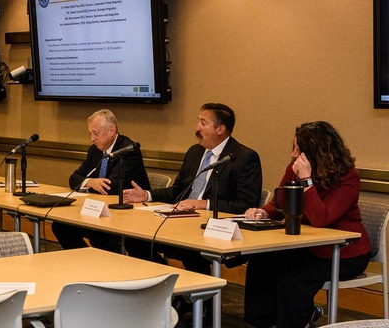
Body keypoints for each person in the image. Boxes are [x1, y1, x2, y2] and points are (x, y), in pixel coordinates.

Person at [242, 121, 370, 328]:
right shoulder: (294, 170)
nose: (293, 155)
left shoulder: (348, 177)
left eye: (298, 150)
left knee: (292, 276)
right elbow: (281, 202)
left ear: (316, 153)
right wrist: (264, 211)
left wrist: (307, 180)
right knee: (262, 261)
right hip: (309, 245)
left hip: (345, 252)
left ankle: (297, 322)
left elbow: (322, 218)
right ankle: (263, 322)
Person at [122, 103, 263, 273]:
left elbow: (246, 205)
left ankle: (201, 298)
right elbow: (176, 192)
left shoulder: (243, 158)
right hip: (181, 223)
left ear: (220, 129)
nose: (197, 128)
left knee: (189, 250)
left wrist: (204, 204)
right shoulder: (194, 152)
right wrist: (146, 195)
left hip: (212, 228)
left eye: (203, 123)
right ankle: (168, 285)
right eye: (198, 122)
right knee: (135, 240)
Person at [53, 109, 150, 252]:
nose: (92, 138)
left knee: (100, 235)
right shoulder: (95, 150)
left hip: (127, 214)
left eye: (96, 133)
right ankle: (86, 261)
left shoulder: (128, 150)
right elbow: (73, 178)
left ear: (112, 130)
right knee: (60, 227)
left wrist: (90, 183)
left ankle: (108, 266)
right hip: (100, 210)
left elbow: (111, 188)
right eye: (90, 134)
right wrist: (91, 182)